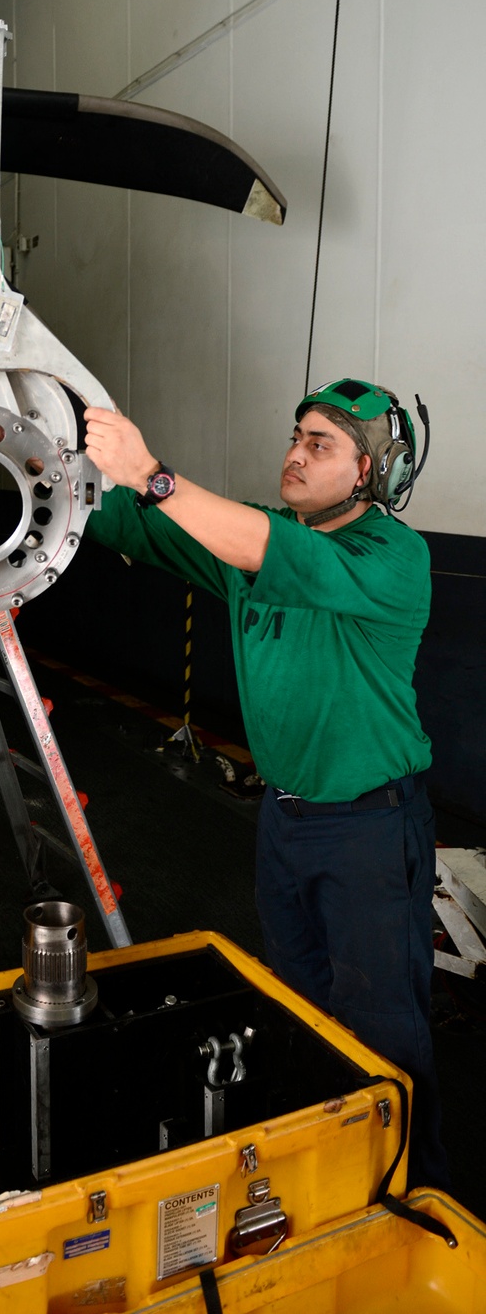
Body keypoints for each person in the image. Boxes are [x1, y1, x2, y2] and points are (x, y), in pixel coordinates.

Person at [83, 377, 448, 1191]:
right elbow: (133, 526)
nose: (294, 452)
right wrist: (50, 462)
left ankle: (411, 1194)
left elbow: (270, 552)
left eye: (321, 443)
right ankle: (318, 1179)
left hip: (368, 832)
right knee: (296, 1007)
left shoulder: (393, 556)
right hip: (284, 823)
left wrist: (154, 474)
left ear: (369, 472)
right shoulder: (266, 536)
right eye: (296, 434)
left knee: (383, 1027)